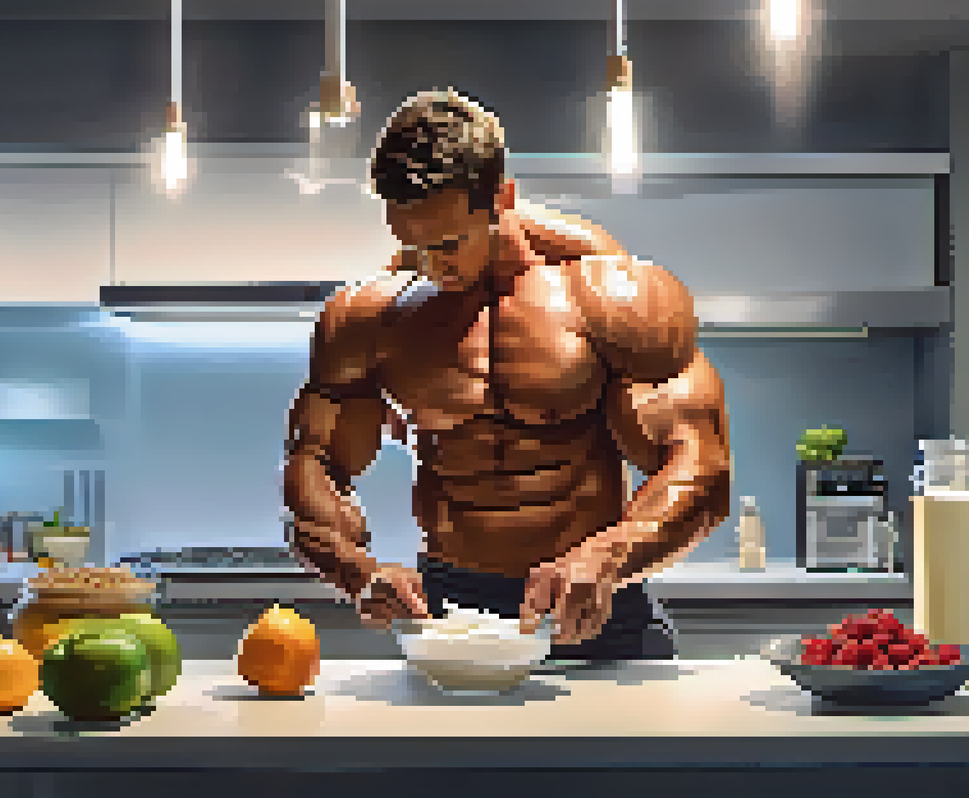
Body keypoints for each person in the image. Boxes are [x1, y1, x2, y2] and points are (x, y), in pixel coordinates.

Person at [282, 88, 731, 662]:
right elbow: (312, 463)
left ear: (502, 198)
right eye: (410, 244)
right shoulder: (372, 319)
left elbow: (703, 467)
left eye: (446, 245)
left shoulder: (606, 295)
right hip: (450, 612)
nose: (427, 266)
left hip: (594, 606)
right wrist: (358, 572)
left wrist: (610, 556)